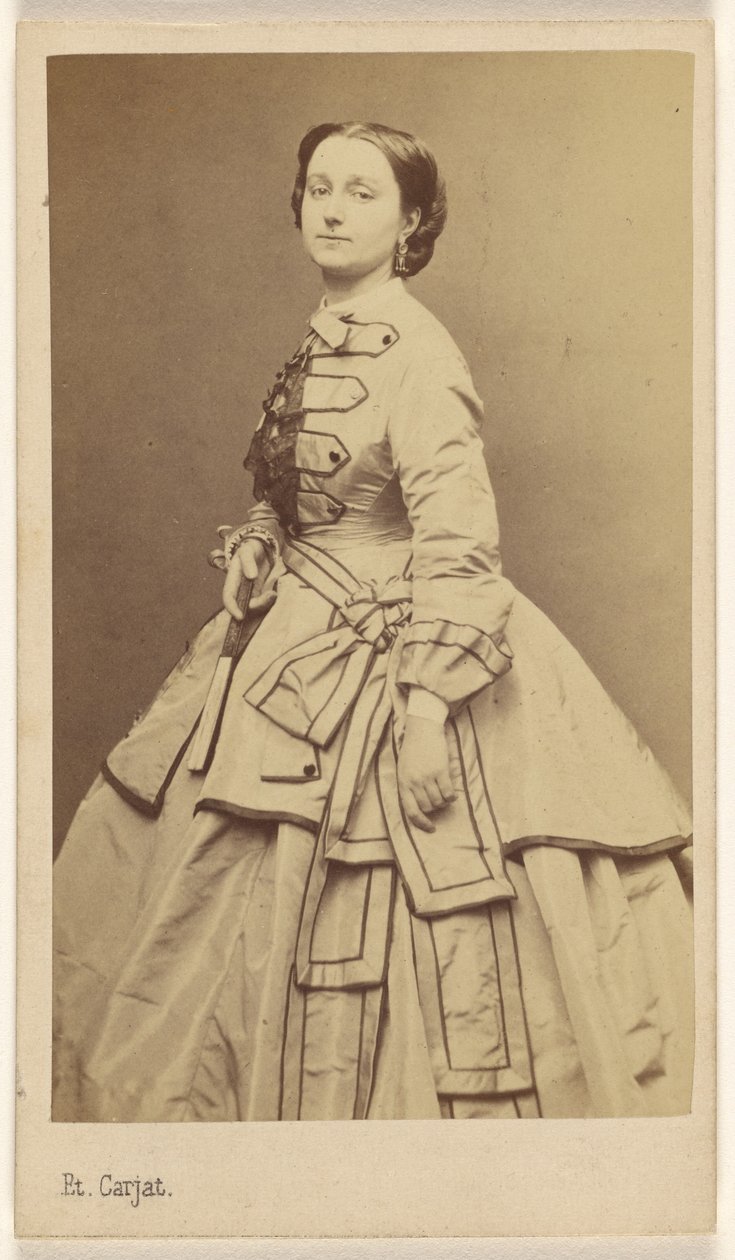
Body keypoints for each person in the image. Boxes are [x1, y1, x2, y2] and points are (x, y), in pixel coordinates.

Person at [53, 121, 694, 1123]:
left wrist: (428, 706)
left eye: (361, 192)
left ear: (410, 223)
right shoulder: (322, 331)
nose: (333, 209)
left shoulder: (420, 355)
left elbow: (459, 542)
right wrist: (260, 540)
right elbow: (297, 487)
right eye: (319, 188)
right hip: (292, 631)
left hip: (395, 654)